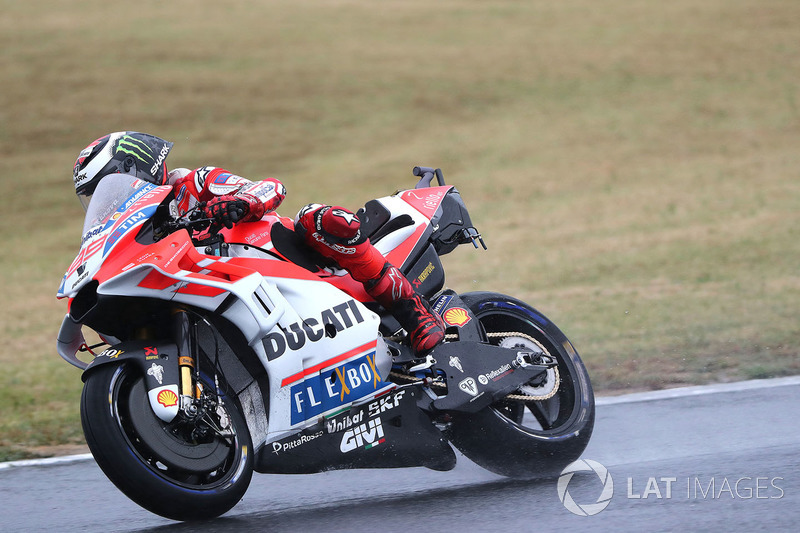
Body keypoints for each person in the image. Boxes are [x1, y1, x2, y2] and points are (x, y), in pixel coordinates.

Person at [72, 131, 444, 355]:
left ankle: (414, 311)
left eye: (106, 186)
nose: (104, 200)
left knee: (320, 218)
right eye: (94, 197)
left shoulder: (194, 184)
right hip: (244, 295)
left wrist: (241, 201)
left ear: (135, 170)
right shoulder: (145, 234)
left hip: (296, 263)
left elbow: (271, 187)